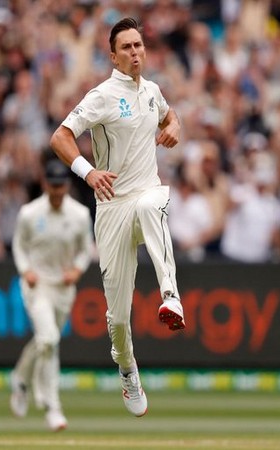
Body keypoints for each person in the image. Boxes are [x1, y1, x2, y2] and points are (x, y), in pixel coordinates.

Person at [49, 17, 185, 418]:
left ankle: (171, 298)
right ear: (112, 55)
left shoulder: (153, 91)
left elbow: (169, 115)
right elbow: (60, 136)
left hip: (146, 194)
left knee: (151, 205)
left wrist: (175, 124)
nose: (135, 52)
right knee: (118, 319)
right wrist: (87, 172)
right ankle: (127, 368)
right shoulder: (103, 95)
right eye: (126, 47)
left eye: (139, 45)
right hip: (111, 206)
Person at [9, 159, 94, 432]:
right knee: (49, 340)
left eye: (61, 187)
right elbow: (19, 247)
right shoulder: (30, 213)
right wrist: (26, 271)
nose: (57, 192)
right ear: (46, 185)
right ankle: (52, 407)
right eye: (53, 186)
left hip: (64, 288)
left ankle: (20, 379)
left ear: (67, 186)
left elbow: (85, 249)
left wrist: (78, 269)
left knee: (46, 341)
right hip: (37, 286)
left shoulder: (79, 215)